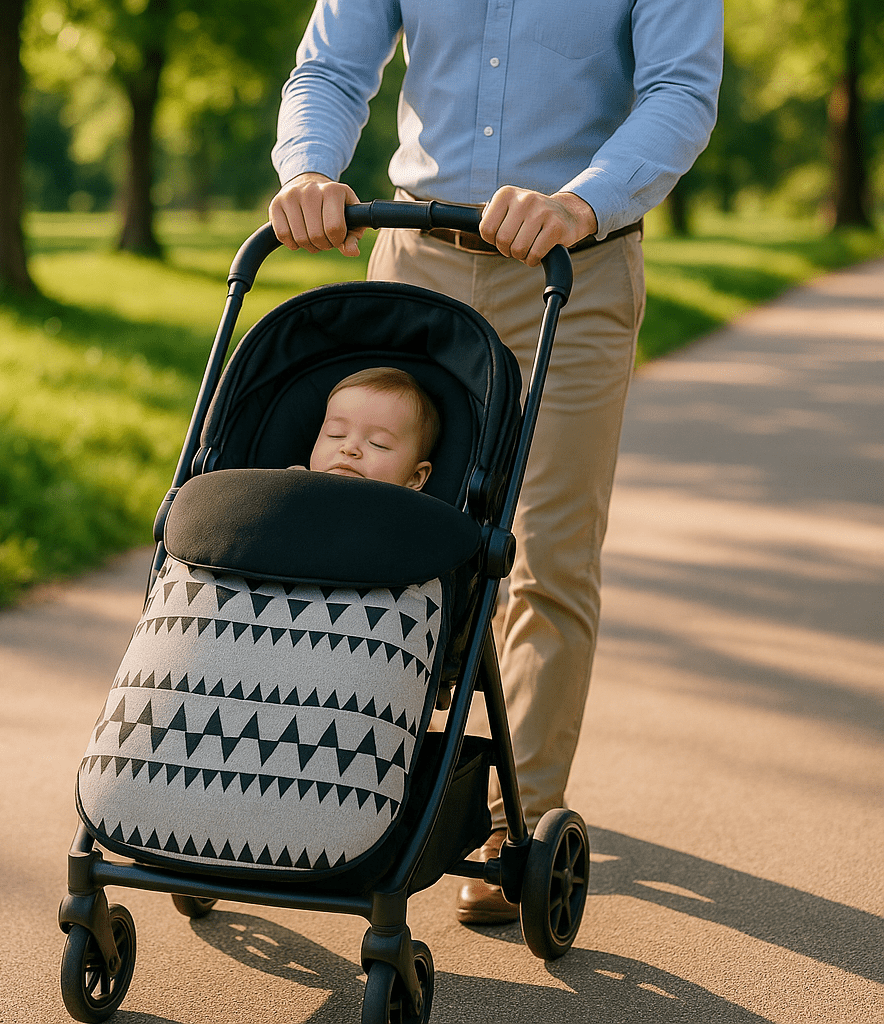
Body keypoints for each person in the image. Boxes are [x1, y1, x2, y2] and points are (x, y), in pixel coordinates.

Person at [269, 0, 723, 925]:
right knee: (378, 532)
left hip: (575, 263)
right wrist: (310, 168)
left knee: (543, 552)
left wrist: (582, 197)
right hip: (416, 257)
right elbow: (329, 69)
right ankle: (352, 781)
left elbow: (680, 90)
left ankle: (513, 824)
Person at [293, 366, 438, 491]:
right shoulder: (290, 486)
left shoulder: (411, 520)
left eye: (378, 443)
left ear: (414, 477)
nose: (349, 448)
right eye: (336, 434)